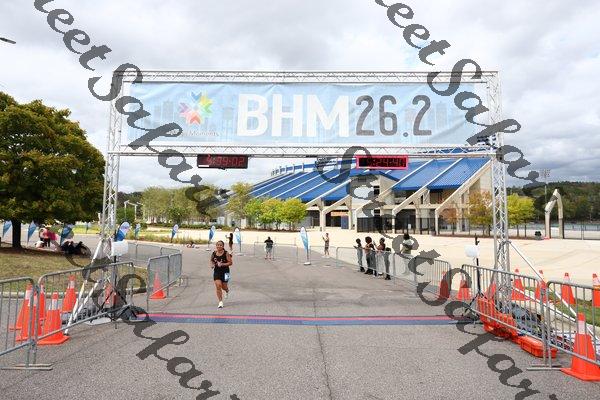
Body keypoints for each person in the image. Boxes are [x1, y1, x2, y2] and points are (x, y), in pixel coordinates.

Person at [210, 240, 233, 308]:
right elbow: (211, 260)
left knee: (224, 287)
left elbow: (230, 263)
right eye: (218, 245)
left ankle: (227, 290)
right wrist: (212, 265)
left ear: (223, 246)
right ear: (216, 246)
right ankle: (220, 302)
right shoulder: (214, 253)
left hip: (226, 272)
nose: (219, 246)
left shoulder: (226, 253)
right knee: (218, 285)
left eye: (220, 245)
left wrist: (222, 264)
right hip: (217, 271)